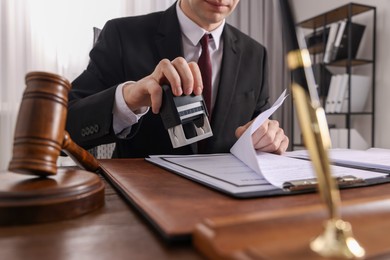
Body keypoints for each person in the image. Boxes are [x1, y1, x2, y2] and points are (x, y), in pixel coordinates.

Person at [66, 0, 289, 158]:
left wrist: (269, 138)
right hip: (143, 201)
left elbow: (260, 125)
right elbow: (62, 126)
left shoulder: (256, 54)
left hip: (226, 205)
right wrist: (127, 100)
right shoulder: (123, 35)